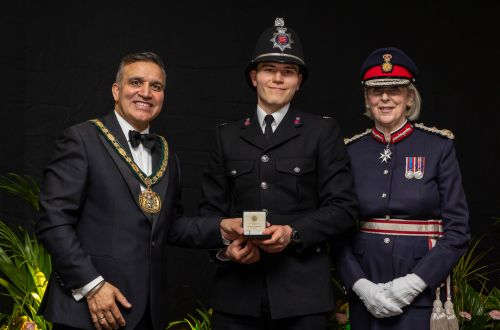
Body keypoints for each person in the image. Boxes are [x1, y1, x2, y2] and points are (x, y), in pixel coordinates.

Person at [36, 51, 240, 330]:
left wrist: (222, 229)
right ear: (116, 90)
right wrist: (92, 286)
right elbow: (53, 222)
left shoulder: (167, 155)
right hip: (87, 312)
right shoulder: (81, 139)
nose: (146, 93)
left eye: (156, 86)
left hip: (146, 314)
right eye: (136, 83)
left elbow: (170, 227)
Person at [199, 18, 359, 329]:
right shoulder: (226, 136)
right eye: (269, 69)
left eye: (288, 72)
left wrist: (293, 233)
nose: (278, 79)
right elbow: (209, 211)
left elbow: (344, 209)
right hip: (236, 296)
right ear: (254, 76)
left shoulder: (322, 131)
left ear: (299, 81)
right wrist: (225, 250)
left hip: (301, 297)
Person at [336, 47, 470, 329]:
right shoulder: (349, 152)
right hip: (366, 287)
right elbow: (337, 228)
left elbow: (457, 230)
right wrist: (360, 285)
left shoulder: (438, 147)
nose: (385, 98)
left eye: (395, 89)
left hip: (422, 291)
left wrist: (415, 283)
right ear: (367, 98)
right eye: (376, 90)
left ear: (409, 98)